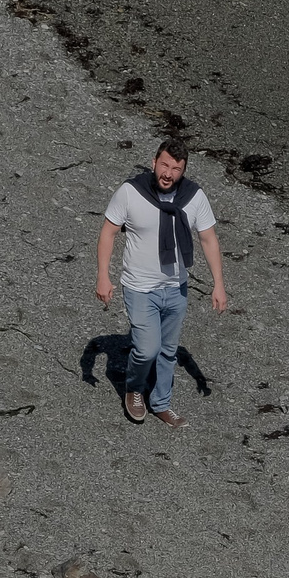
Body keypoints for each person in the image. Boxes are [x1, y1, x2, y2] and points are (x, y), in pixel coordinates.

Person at [93, 138, 228, 426]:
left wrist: (218, 284)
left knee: (169, 351)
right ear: (154, 163)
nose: (168, 173)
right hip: (140, 287)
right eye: (164, 165)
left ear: (183, 171)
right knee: (146, 349)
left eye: (176, 169)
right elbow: (108, 232)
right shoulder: (131, 192)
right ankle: (134, 389)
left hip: (176, 288)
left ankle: (161, 403)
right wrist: (103, 276)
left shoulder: (194, 197)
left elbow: (208, 239)